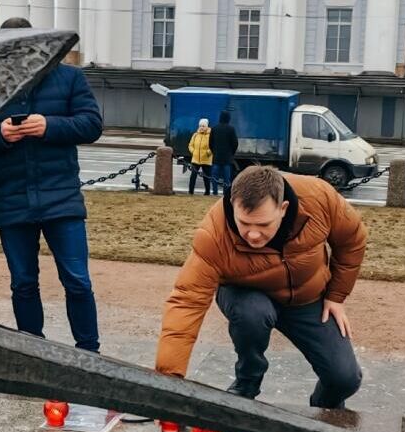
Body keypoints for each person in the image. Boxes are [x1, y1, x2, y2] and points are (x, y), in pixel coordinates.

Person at [154, 165, 367, 408]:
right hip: (245, 294)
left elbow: (353, 239)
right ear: (233, 204)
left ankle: (323, 412)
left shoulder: (319, 198)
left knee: (345, 378)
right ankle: (247, 384)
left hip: (306, 297)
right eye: (244, 223)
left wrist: (336, 295)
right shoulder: (214, 233)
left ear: (283, 208)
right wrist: (167, 383)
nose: (253, 235)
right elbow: (186, 299)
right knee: (253, 313)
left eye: (264, 225)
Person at [0, 16, 104, 352]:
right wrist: (0, 134)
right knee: (23, 283)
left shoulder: (69, 77)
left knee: (78, 281)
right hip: (13, 199)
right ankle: (32, 349)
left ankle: (90, 351)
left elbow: (92, 124)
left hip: (62, 199)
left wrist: (49, 125)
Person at [209, 110, 239, 195]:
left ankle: (215, 192)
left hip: (216, 157)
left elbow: (210, 143)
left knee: (214, 177)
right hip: (227, 158)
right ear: (228, 119)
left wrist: (214, 151)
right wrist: (231, 153)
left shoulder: (214, 128)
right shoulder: (231, 129)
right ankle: (225, 194)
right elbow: (235, 143)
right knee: (227, 178)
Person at [187, 119, 214, 195]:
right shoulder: (195, 135)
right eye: (200, 126)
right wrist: (193, 151)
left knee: (206, 177)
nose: (201, 127)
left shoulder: (210, 135)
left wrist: (208, 153)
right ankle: (190, 191)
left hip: (206, 159)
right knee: (193, 176)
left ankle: (207, 192)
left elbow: (213, 146)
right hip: (196, 159)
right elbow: (190, 145)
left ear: (207, 126)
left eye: (203, 126)